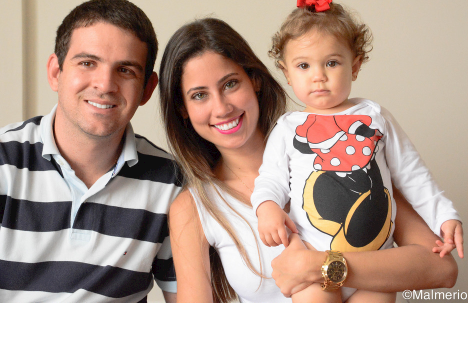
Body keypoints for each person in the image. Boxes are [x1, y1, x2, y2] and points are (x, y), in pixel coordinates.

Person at [159, 16, 458, 303]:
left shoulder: (351, 156)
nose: (222, 107)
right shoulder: (193, 206)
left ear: (255, 80)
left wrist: (318, 266)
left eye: (230, 84)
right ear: (182, 109)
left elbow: (442, 269)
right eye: (199, 95)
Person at [0, 0, 182, 303]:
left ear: (147, 89)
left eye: (125, 70)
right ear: (55, 72)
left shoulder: (172, 185)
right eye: (87, 63)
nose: (105, 84)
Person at [252, 0, 463, 303]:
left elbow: (412, 174)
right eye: (304, 66)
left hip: (375, 269)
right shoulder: (287, 128)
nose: (318, 76)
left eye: (332, 63)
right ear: (286, 72)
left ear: (355, 65)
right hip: (313, 265)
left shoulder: (375, 116)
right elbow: (270, 179)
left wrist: (444, 215)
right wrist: (266, 207)